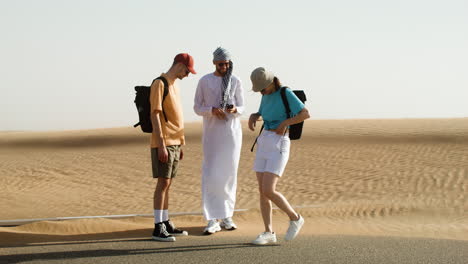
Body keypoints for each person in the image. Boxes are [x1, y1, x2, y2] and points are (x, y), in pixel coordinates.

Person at [248, 67, 310, 245]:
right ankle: (268, 232)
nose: (261, 91)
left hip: (279, 142)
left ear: (270, 82)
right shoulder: (265, 95)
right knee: (262, 192)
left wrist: (286, 123)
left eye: (263, 88)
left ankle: (295, 217)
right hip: (264, 140)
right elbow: (264, 112)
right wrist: (255, 115)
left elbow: (305, 113)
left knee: (269, 189)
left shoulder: (285, 92)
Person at [194, 47, 244, 234]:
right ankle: (211, 219)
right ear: (214, 63)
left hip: (231, 134)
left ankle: (227, 216)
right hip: (212, 135)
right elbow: (197, 107)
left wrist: (234, 110)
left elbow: (242, 106)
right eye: (221, 64)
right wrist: (211, 110)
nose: (224, 67)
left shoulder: (235, 80)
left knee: (229, 175)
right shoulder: (204, 81)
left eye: (227, 64)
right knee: (211, 174)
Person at [150, 53, 196, 242]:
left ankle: (165, 220)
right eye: (187, 70)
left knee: (167, 183)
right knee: (162, 183)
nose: (187, 75)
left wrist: (179, 143)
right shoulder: (160, 83)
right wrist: (161, 144)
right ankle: (158, 226)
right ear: (179, 65)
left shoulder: (174, 84)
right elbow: (155, 115)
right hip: (164, 142)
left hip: (175, 143)